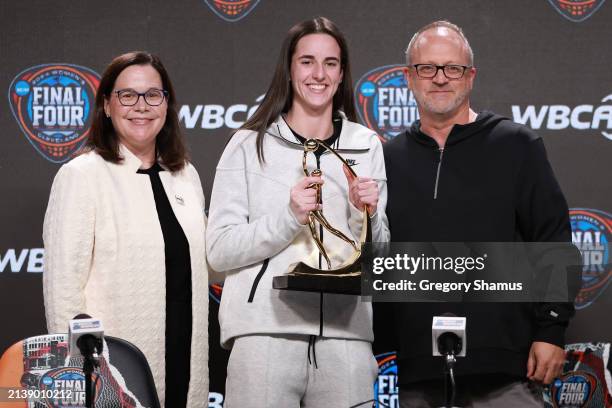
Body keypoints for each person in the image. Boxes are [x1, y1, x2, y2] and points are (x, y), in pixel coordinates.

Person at [381, 20, 578, 407]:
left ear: (470, 77)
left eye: (452, 68)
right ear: (409, 77)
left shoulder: (516, 145)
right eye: (427, 68)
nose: (440, 78)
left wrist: (552, 331)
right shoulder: (385, 159)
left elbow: (553, 239)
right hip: (418, 374)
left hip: (507, 368)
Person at [206, 17, 390, 408]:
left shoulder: (366, 144)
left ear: (342, 74)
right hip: (264, 334)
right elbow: (219, 250)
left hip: (346, 335)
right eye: (307, 61)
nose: (318, 74)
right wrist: (289, 217)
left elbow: (379, 260)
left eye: (331, 63)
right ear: (289, 70)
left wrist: (366, 214)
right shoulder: (248, 144)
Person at [43, 51, 208, 407]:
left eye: (153, 95)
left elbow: (212, 262)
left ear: (166, 104)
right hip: (113, 372)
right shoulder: (81, 176)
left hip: (186, 359)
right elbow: (62, 294)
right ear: (106, 104)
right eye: (127, 95)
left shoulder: (185, 176)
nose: (141, 106)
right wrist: (81, 375)